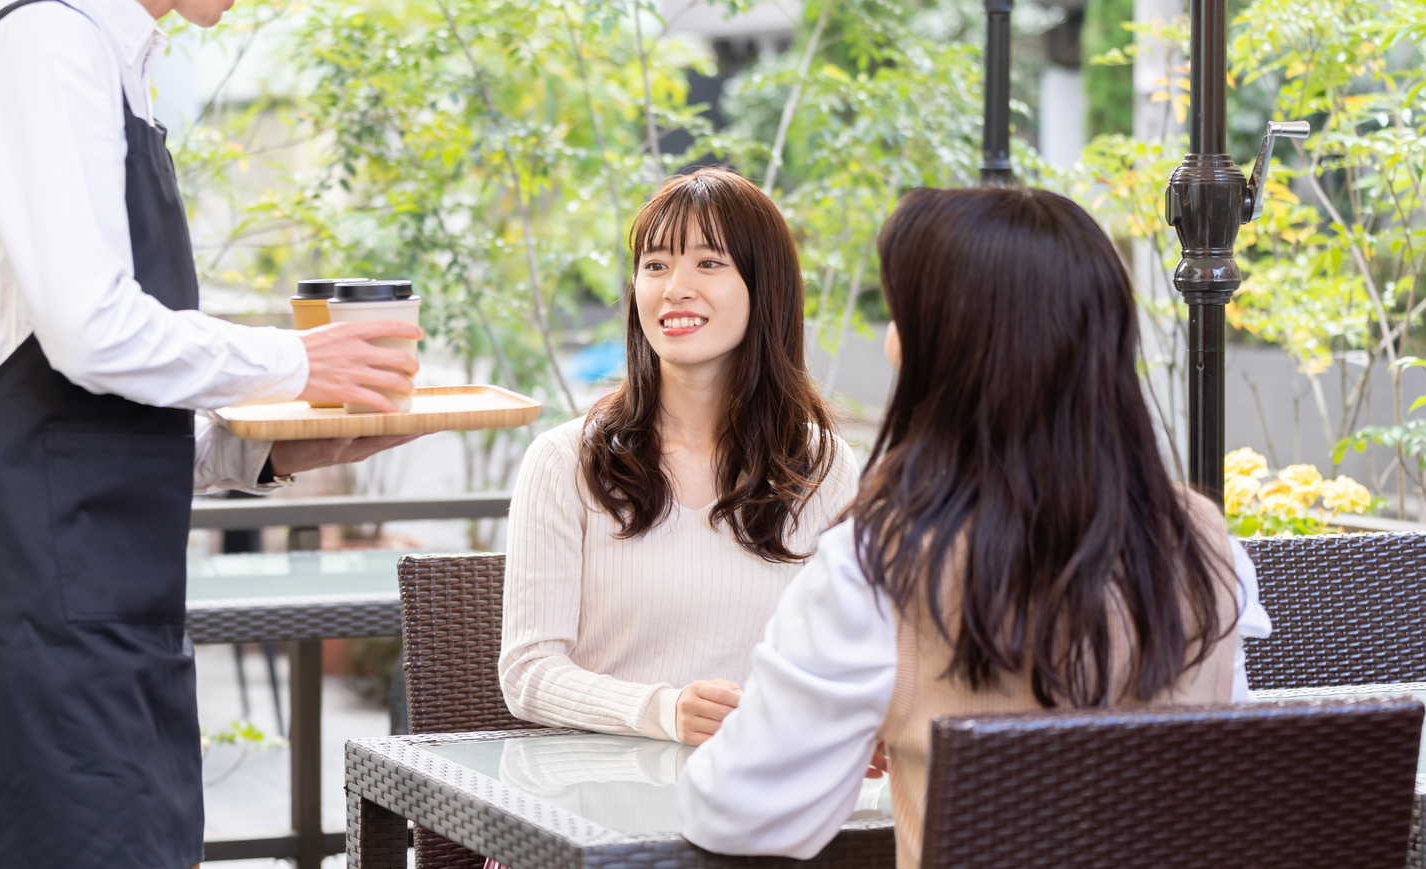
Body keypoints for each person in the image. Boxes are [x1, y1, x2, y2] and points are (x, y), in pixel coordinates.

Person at [0, 0, 420, 867]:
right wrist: (293, 367)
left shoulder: (103, 58)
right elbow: (88, 334)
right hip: (26, 634)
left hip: (88, 625)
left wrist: (265, 455)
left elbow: (84, 406)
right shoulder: (44, 43)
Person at [677, 186, 1273, 868]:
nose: (891, 342)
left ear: (949, 349)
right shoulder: (1203, 544)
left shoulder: (880, 563)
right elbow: (1224, 780)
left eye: (902, 317)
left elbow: (742, 814)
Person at [500, 167, 859, 747]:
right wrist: (662, 711)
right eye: (656, 264)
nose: (675, 287)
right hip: (592, 806)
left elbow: (847, 657)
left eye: (709, 263)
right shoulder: (565, 461)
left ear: (764, 287)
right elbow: (527, 673)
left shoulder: (821, 466)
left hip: (759, 790)